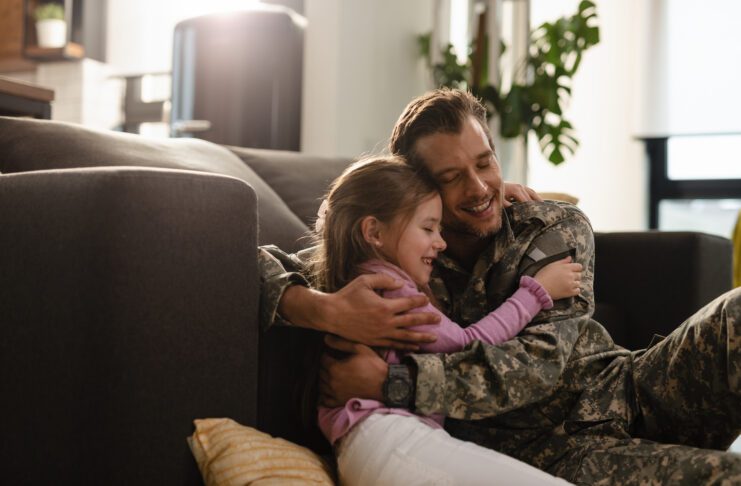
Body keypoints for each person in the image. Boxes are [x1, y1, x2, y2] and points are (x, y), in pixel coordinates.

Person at [259, 88, 741, 484]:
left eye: (485, 164)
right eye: (453, 177)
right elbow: (253, 264)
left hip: (627, 391)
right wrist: (324, 310)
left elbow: (536, 367)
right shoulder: (397, 260)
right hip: (549, 450)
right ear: (420, 190)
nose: (479, 188)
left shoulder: (553, 226)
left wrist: (392, 383)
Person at [306, 155, 581, 484]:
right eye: (427, 228)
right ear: (374, 232)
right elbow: (466, 343)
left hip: (381, 442)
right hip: (387, 437)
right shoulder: (389, 291)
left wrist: (489, 201)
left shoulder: (360, 280)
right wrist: (535, 293)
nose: (441, 242)